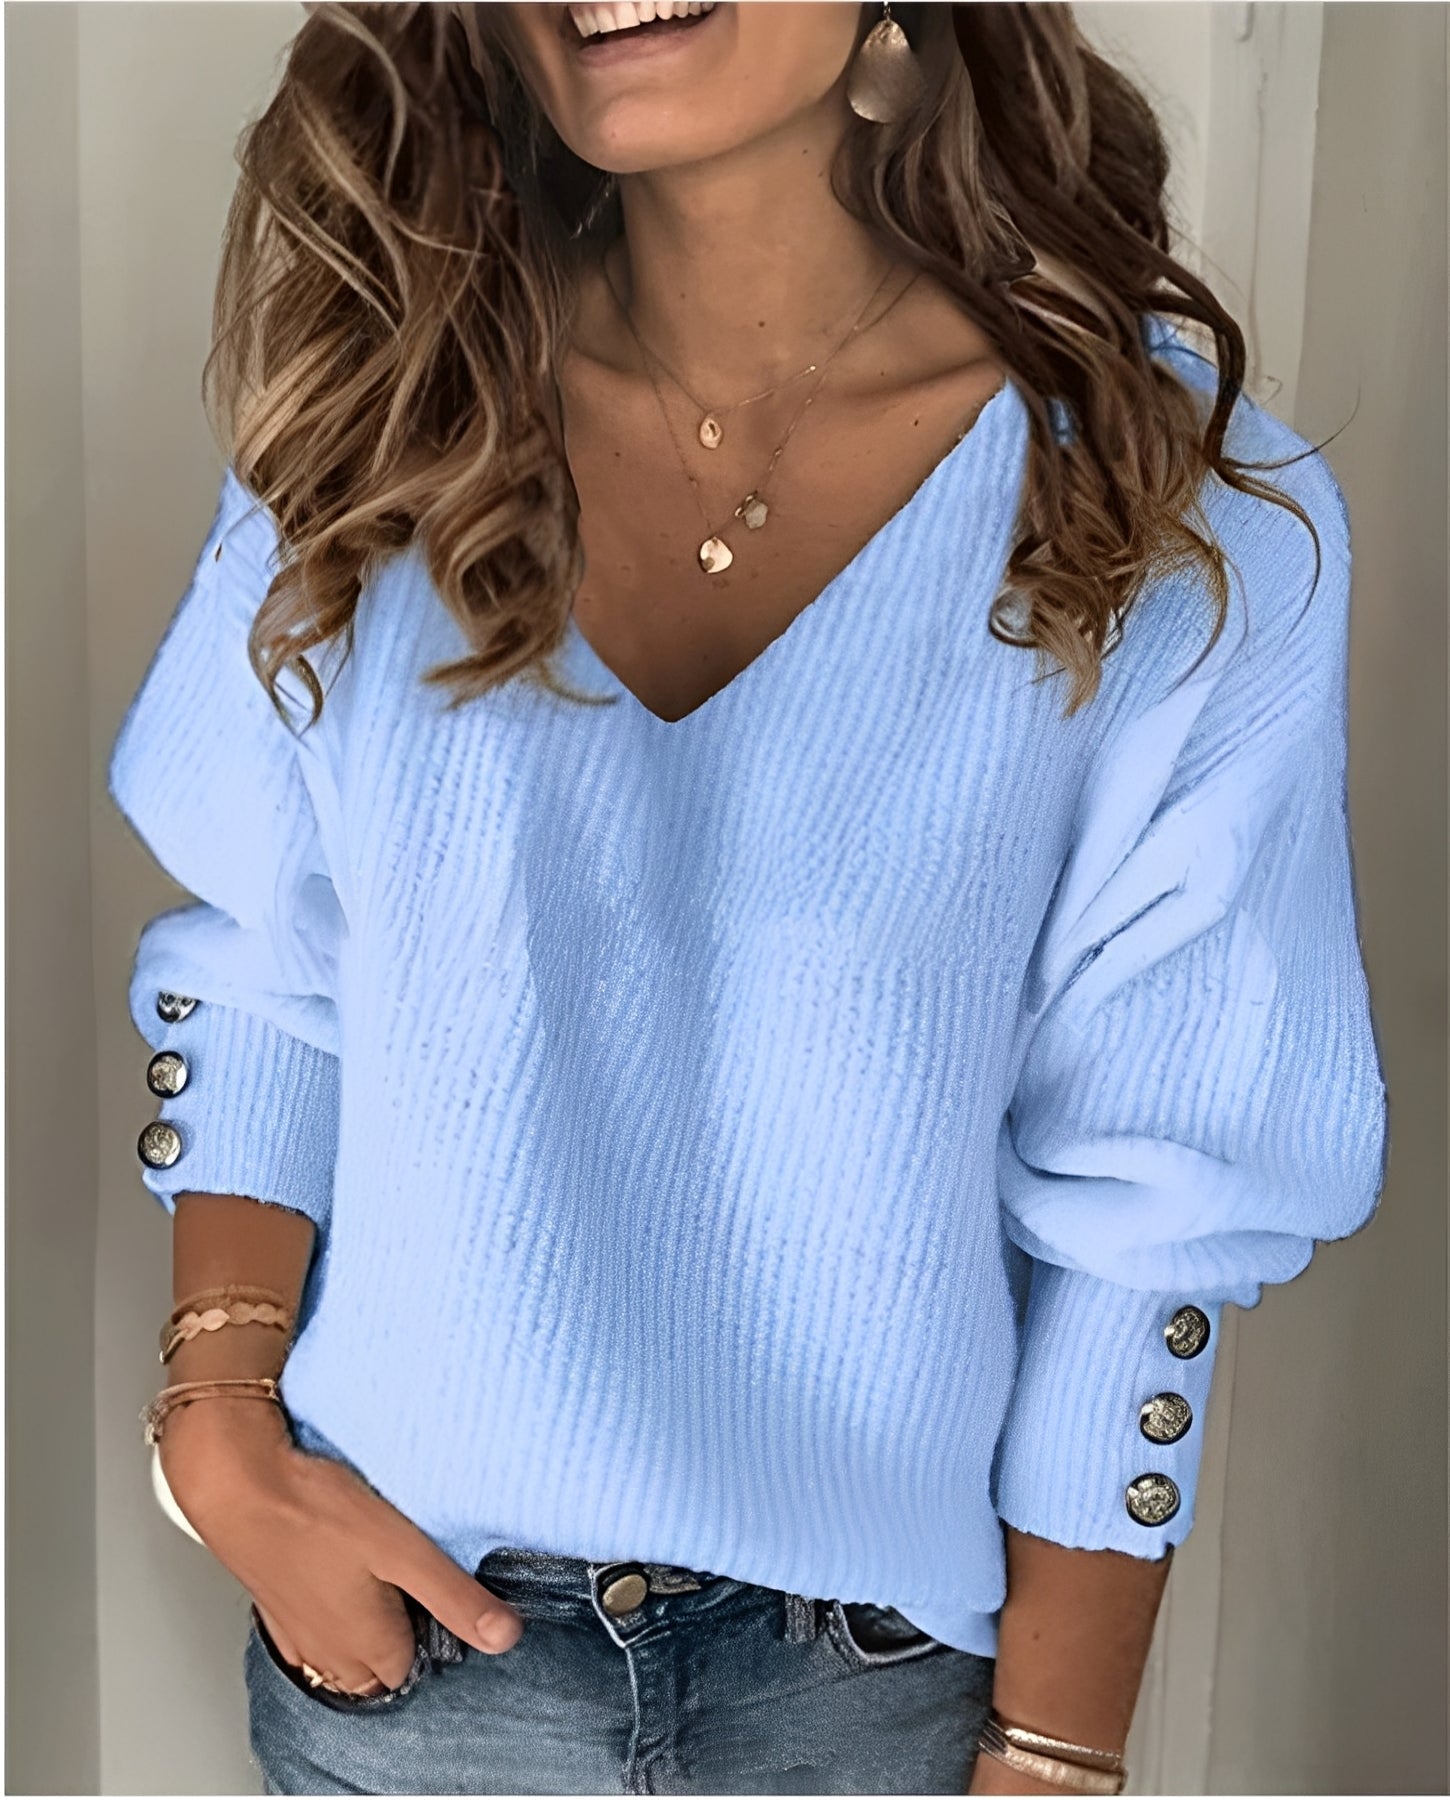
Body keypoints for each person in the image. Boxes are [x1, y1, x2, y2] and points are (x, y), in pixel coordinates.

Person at [108, 3, 1389, 1794]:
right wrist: (219, 1425)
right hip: (409, 1674)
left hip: (862, 1707)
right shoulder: (394, 414)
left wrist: (1052, 1756)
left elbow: (1153, 1196)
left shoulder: (1155, 507)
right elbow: (262, 965)